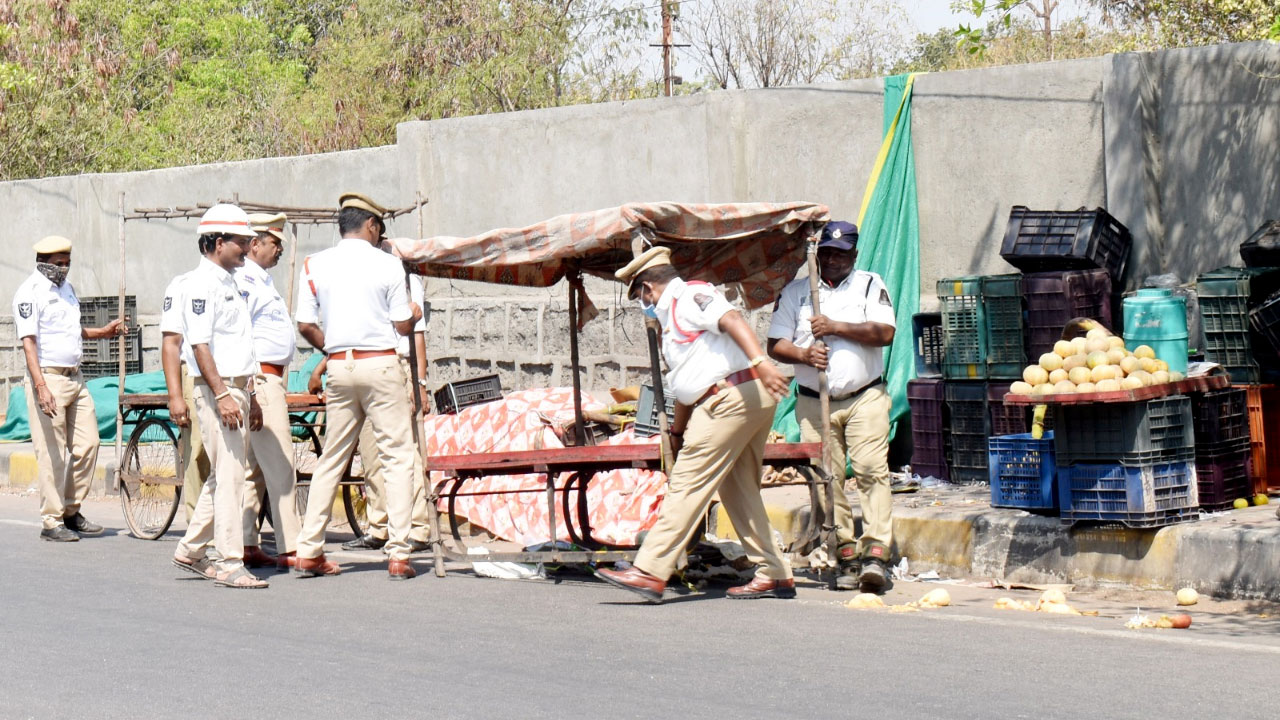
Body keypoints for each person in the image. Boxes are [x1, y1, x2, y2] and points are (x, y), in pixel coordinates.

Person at [597, 247, 794, 604]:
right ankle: (775, 573)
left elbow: (732, 319)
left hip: (730, 398)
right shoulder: (673, 319)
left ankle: (650, 569)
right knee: (739, 490)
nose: (643, 304)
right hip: (734, 397)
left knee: (687, 483)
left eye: (640, 296)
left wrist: (761, 361)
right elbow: (687, 386)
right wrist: (676, 431)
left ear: (647, 289)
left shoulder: (688, 296)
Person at [292, 192, 423, 580]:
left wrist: (332, 347)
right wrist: (413, 313)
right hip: (380, 363)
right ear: (371, 225)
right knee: (397, 455)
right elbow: (401, 325)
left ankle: (309, 547)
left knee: (333, 456)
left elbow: (304, 323)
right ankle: (399, 552)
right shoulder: (387, 264)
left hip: (340, 367)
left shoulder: (315, 264)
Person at [766, 221, 896, 593]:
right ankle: (846, 553)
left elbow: (885, 333)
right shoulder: (797, 292)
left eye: (841, 254)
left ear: (854, 255)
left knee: (871, 470)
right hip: (814, 401)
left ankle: (876, 553)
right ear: (818, 254)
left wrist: (836, 327)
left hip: (864, 397)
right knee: (828, 479)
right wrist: (804, 353)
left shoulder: (870, 284)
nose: (833, 260)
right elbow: (775, 344)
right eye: (827, 253)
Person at [169, 204, 269, 589]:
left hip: (236, 386)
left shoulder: (229, 281)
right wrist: (223, 393)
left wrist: (250, 394)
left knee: (225, 474)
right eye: (242, 242)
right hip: (218, 390)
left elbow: (238, 346)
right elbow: (199, 346)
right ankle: (229, 561)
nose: (248, 248)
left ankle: (191, 550)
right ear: (218, 242)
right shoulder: (199, 285)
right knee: (230, 477)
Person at [13, 235, 127, 541]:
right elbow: (29, 343)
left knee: (89, 444)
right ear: (44, 264)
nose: (64, 269)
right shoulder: (29, 293)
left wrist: (102, 332)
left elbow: (70, 331)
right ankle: (51, 522)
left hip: (75, 378)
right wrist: (40, 386)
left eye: (68, 263)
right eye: (59, 264)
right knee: (52, 454)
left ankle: (70, 510)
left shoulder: (67, 290)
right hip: (47, 378)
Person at [324, 269, 432, 553]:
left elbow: (417, 335)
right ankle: (379, 526)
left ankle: (417, 528)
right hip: (367, 366)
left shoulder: (406, 279)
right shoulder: (360, 275)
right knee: (372, 455)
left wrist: (420, 382)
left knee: (405, 452)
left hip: (397, 365)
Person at [235, 212, 304, 570]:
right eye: (275, 243)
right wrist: (252, 390)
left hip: (265, 378)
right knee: (280, 466)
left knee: (254, 470)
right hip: (260, 379)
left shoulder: (262, 280)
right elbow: (241, 335)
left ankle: (247, 543)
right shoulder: (247, 280)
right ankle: (292, 547)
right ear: (256, 243)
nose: (279, 251)